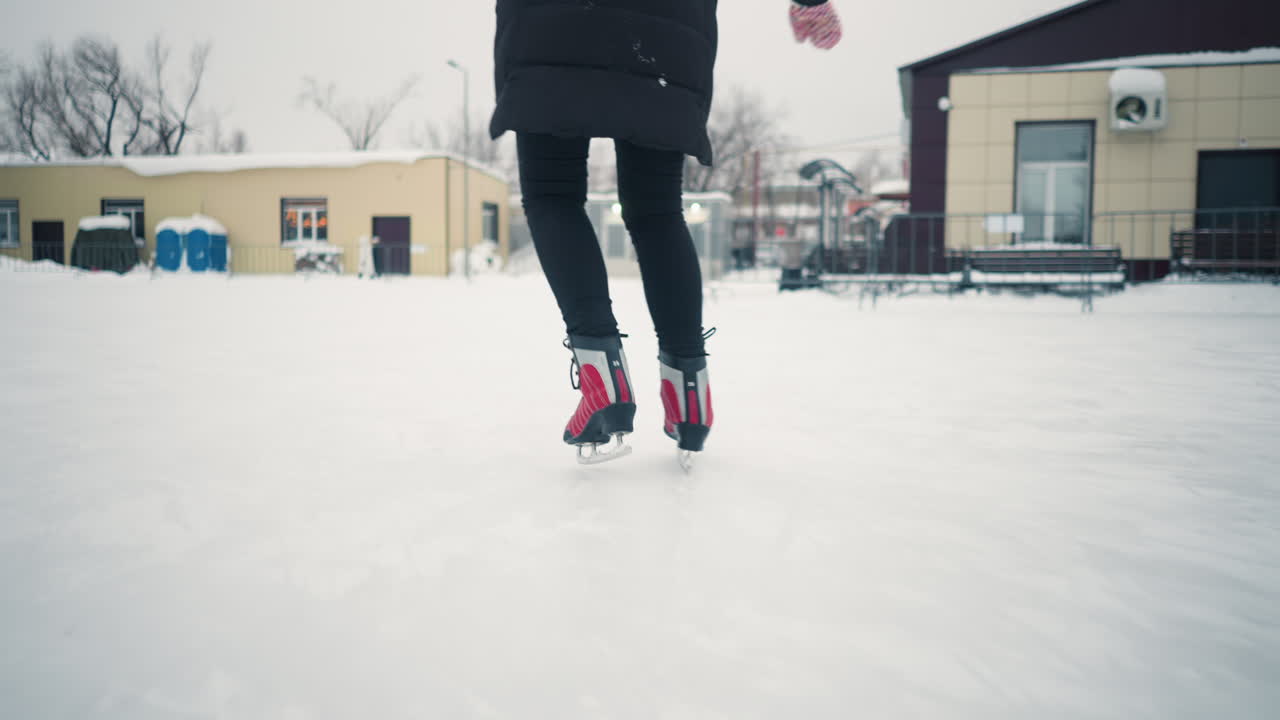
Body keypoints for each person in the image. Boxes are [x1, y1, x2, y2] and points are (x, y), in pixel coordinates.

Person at [489, 0, 843, 466]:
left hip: (553, 27)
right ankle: (689, 397)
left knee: (552, 195)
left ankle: (603, 382)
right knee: (656, 210)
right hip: (667, 33)